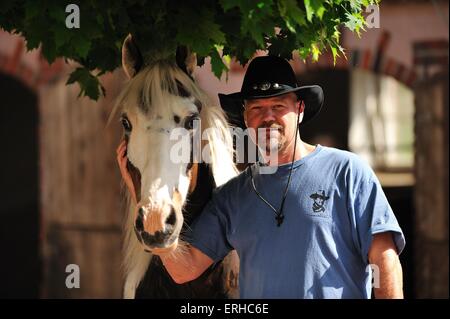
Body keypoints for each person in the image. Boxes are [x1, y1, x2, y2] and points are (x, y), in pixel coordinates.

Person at [117, 55, 405, 299]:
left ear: (300, 110)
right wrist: (144, 198)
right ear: (245, 119)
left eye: (278, 107)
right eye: (256, 108)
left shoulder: (348, 173)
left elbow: (384, 260)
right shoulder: (233, 196)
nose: (267, 117)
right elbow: (185, 269)